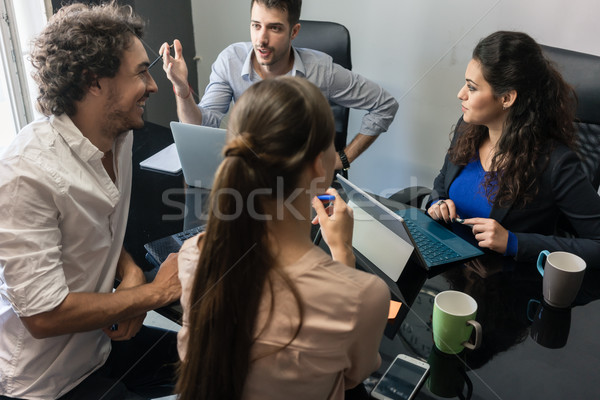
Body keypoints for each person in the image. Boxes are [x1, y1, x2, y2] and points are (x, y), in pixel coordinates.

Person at [0, 3, 181, 399]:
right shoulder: (25, 174)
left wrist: (129, 272)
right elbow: (43, 316)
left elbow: (95, 223)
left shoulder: (119, 135)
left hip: (96, 346)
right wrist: (152, 294)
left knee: (217, 358)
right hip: (42, 382)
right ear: (93, 81)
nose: (152, 86)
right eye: (140, 72)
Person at [175, 76, 390, 400]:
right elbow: (353, 376)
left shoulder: (194, 254)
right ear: (320, 165)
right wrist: (342, 253)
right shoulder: (364, 296)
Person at [160, 0, 398, 171]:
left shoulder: (321, 71)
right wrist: (182, 91)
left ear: (294, 31)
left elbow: (384, 104)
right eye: (256, 25)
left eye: (274, 28)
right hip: (246, 176)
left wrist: (342, 159)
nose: (261, 39)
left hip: (299, 179)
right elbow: (201, 125)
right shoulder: (230, 60)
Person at [427, 31, 600, 265]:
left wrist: (513, 242)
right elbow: (442, 182)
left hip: (502, 284)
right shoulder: (468, 128)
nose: (461, 94)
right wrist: (437, 203)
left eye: (472, 87)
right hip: (447, 265)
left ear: (507, 98)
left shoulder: (557, 164)